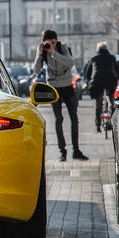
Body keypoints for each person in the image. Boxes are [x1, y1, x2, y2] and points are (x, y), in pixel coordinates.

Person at [33, 29, 88, 162]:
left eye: (53, 42)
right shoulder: (42, 50)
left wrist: (54, 53)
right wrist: (40, 54)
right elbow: (36, 70)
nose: (50, 45)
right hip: (54, 88)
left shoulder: (62, 47)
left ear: (56, 40)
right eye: (48, 43)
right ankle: (62, 151)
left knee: (74, 118)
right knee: (58, 120)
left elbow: (70, 63)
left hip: (67, 86)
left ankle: (76, 150)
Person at [85, 42, 119, 132]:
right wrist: (117, 78)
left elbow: (88, 72)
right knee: (111, 99)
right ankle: (113, 119)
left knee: (98, 103)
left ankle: (97, 125)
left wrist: (89, 80)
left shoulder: (94, 59)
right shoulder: (112, 58)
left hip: (97, 82)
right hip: (110, 81)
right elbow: (118, 70)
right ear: (107, 49)